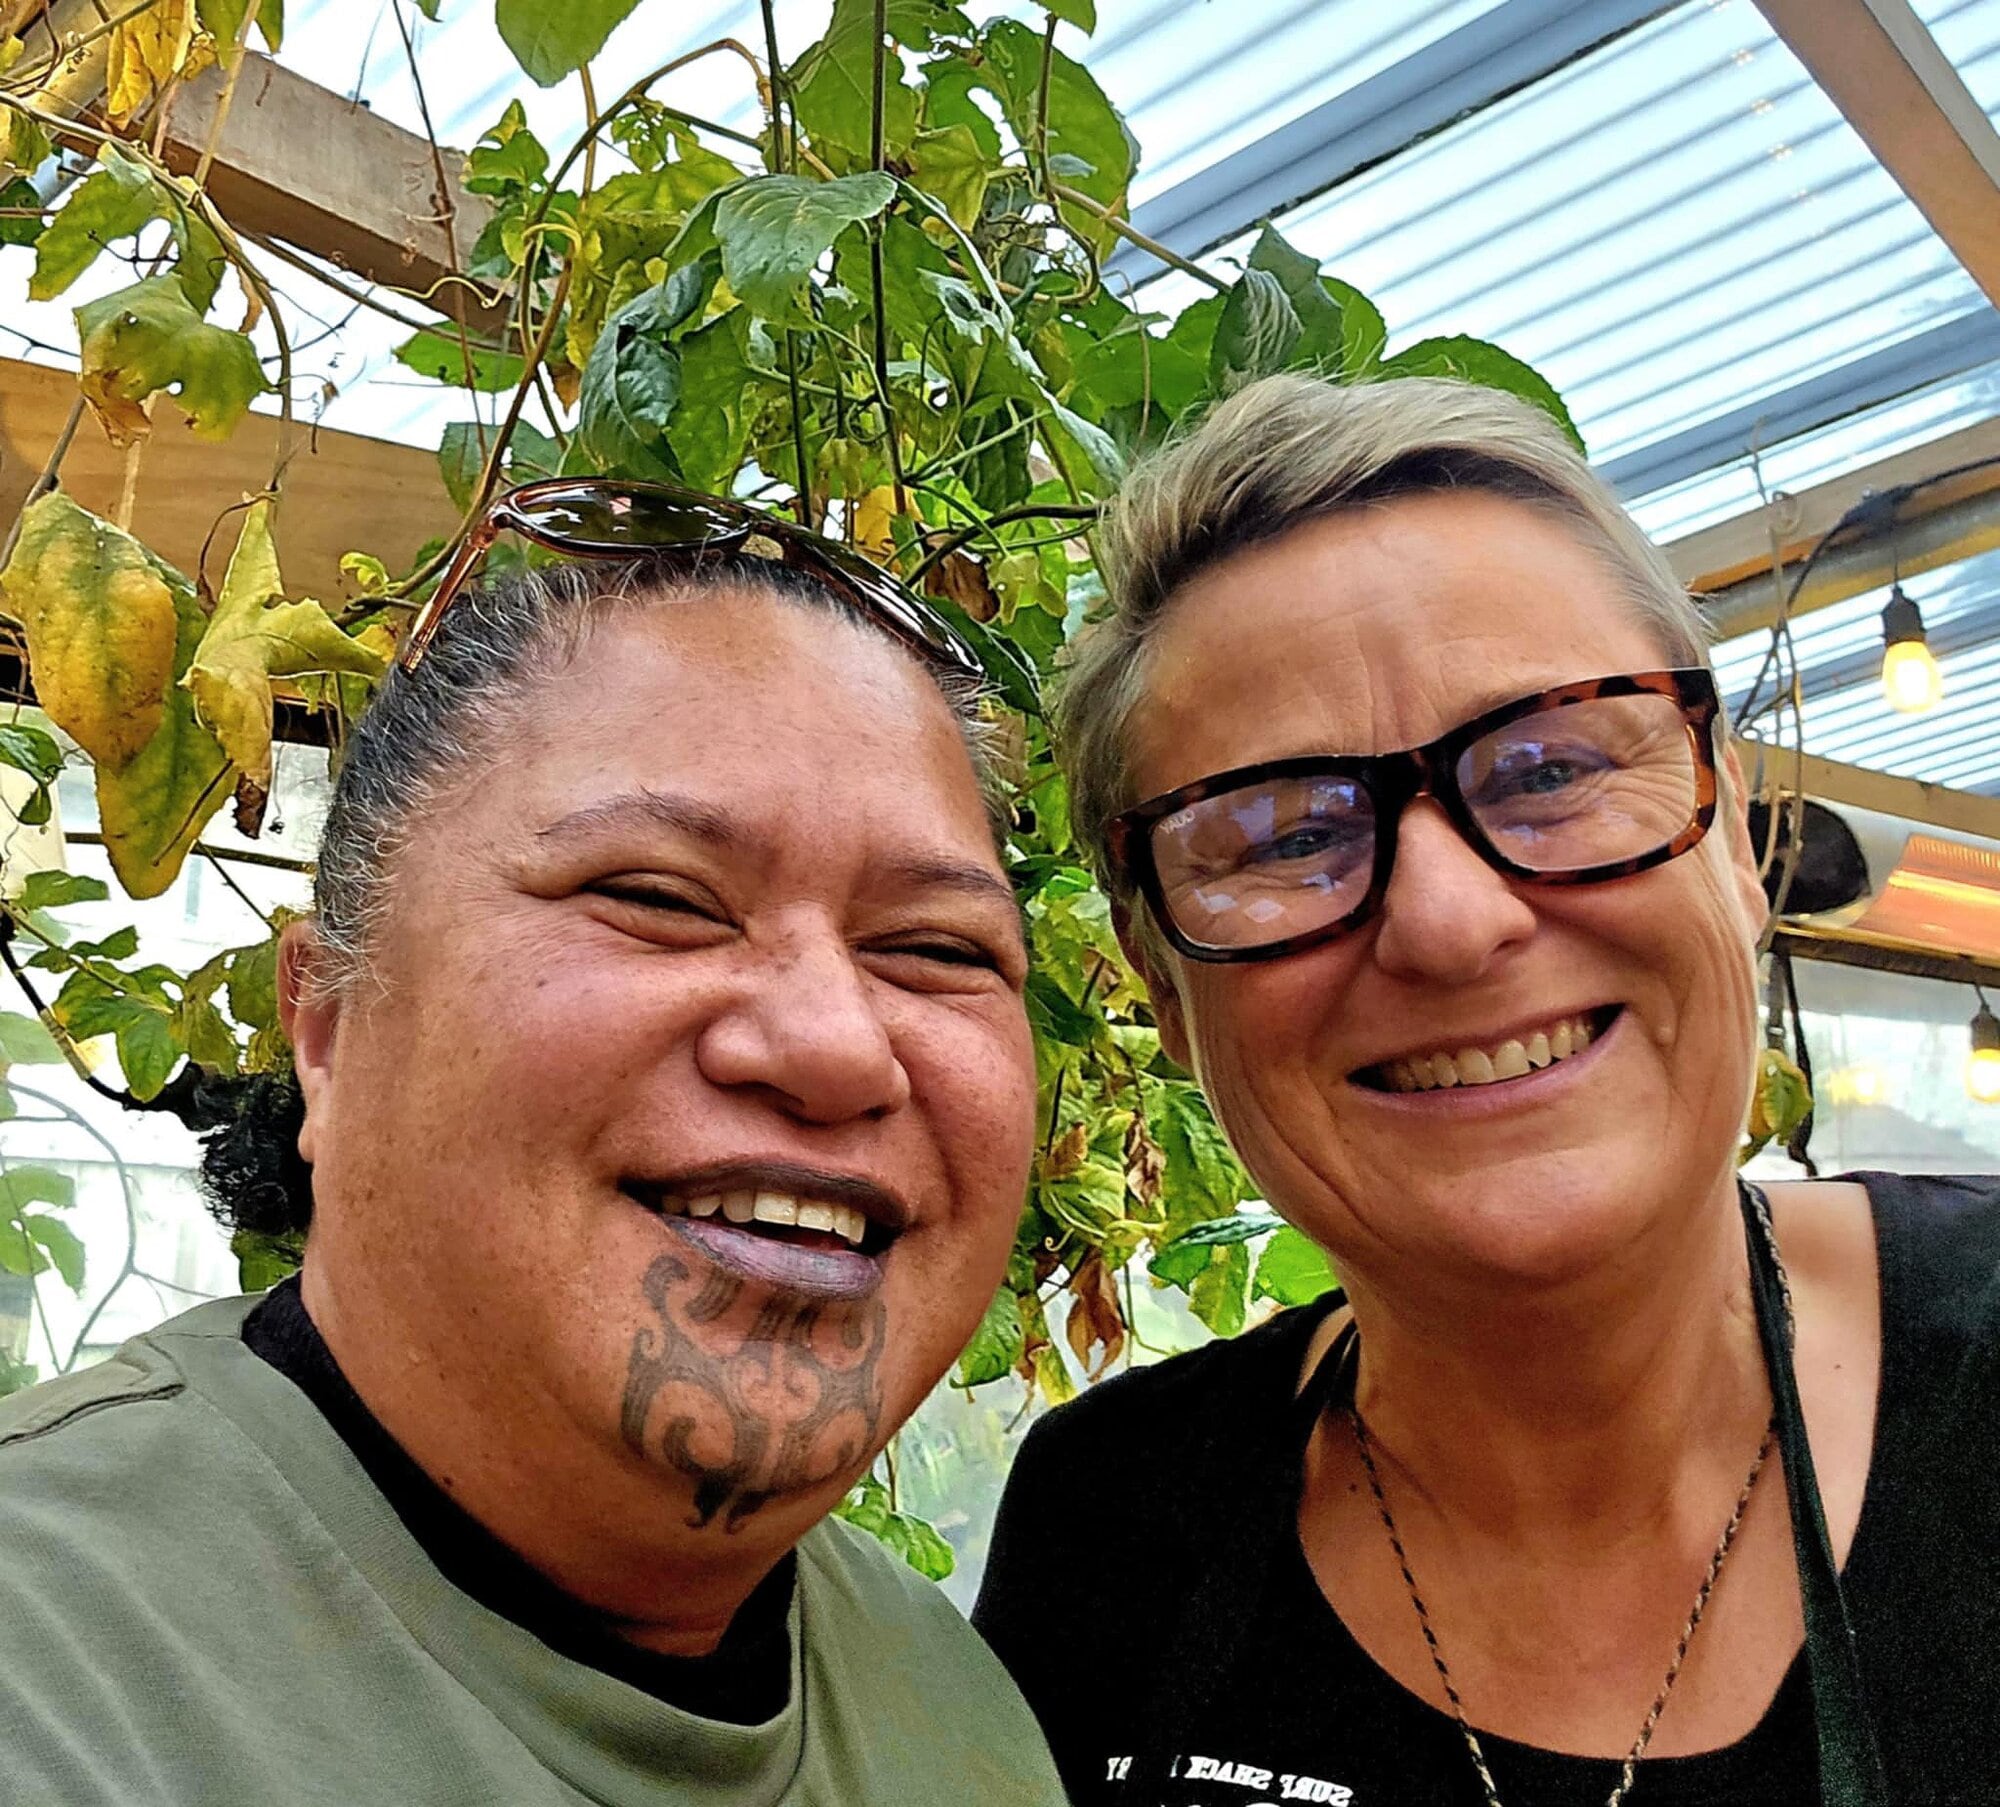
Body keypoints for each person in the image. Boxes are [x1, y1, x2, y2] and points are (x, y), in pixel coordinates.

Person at [974, 375, 2000, 1807]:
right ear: (1165, 998)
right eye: (1282, 838)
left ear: (1739, 844)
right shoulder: (1112, 1530)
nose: (1453, 924)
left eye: (1551, 767)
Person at [0, 480, 1070, 1806]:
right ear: (327, 1027)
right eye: (658, 898)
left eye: (936, 949)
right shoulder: (54, 1678)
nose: (838, 1046)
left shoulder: (957, 1716)